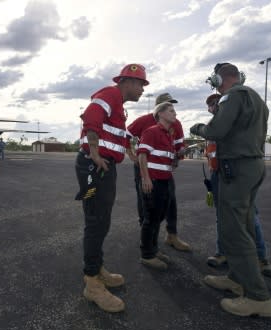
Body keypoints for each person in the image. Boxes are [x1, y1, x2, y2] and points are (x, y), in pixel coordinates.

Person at [190, 63, 271, 317]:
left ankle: (257, 297)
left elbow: (216, 130)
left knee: (233, 229)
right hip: (252, 165)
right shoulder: (256, 98)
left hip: (236, 167)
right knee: (246, 222)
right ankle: (238, 279)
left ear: (220, 78)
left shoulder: (232, 96)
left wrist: (198, 128)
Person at [75, 63, 149, 313]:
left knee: (102, 220)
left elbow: (119, 133)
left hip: (104, 167)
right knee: (96, 221)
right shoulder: (109, 95)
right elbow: (91, 118)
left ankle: (97, 269)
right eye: (140, 84)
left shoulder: (119, 106)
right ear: (126, 82)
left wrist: (127, 149)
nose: (142, 89)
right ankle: (91, 283)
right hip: (93, 168)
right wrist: (94, 154)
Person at [204, 94, 271, 277]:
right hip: (218, 174)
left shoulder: (233, 122)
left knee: (250, 216)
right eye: (210, 105)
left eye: (216, 102)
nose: (213, 106)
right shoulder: (213, 125)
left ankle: (261, 259)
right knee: (223, 216)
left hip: (236, 173)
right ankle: (224, 253)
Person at [126, 92, 192, 252]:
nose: (172, 109)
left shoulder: (175, 123)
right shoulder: (145, 121)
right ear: (159, 109)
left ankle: (172, 235)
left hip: (163, 169)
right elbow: (126, 135)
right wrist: (131, 154)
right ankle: (147, 236)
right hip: (144, 168)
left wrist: (177, 157)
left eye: (172, 105)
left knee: (170, 200)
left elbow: (179, 146)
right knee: (145, 200)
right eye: (168, 105)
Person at [137, 102, 177, 270]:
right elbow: (142, 155)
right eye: (171, 110)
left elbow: (164, 160)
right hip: (153, 182)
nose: (175, 113)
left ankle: (153, 249)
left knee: (159, 218)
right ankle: (147, 255)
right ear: (160, 114)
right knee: (151, 219)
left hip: (166, 181)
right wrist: (146, 178)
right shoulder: (151, 131)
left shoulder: (169, 135)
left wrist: (174, 160)